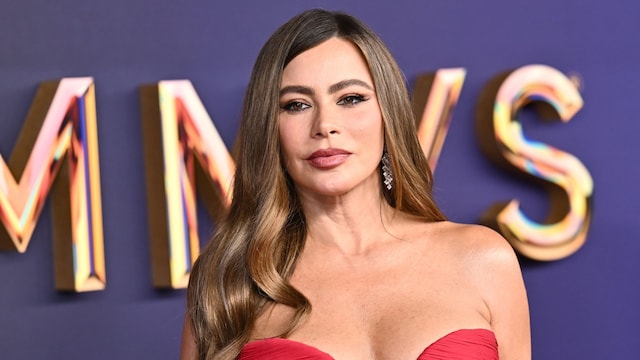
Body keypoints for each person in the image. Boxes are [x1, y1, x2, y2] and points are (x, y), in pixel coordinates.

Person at [181, 8, 530, 360]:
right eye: (296, 105)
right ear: (269, 128)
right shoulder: (229, 280)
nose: (325, 125)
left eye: (350, 98)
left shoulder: (483, 259)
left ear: (387, 113)